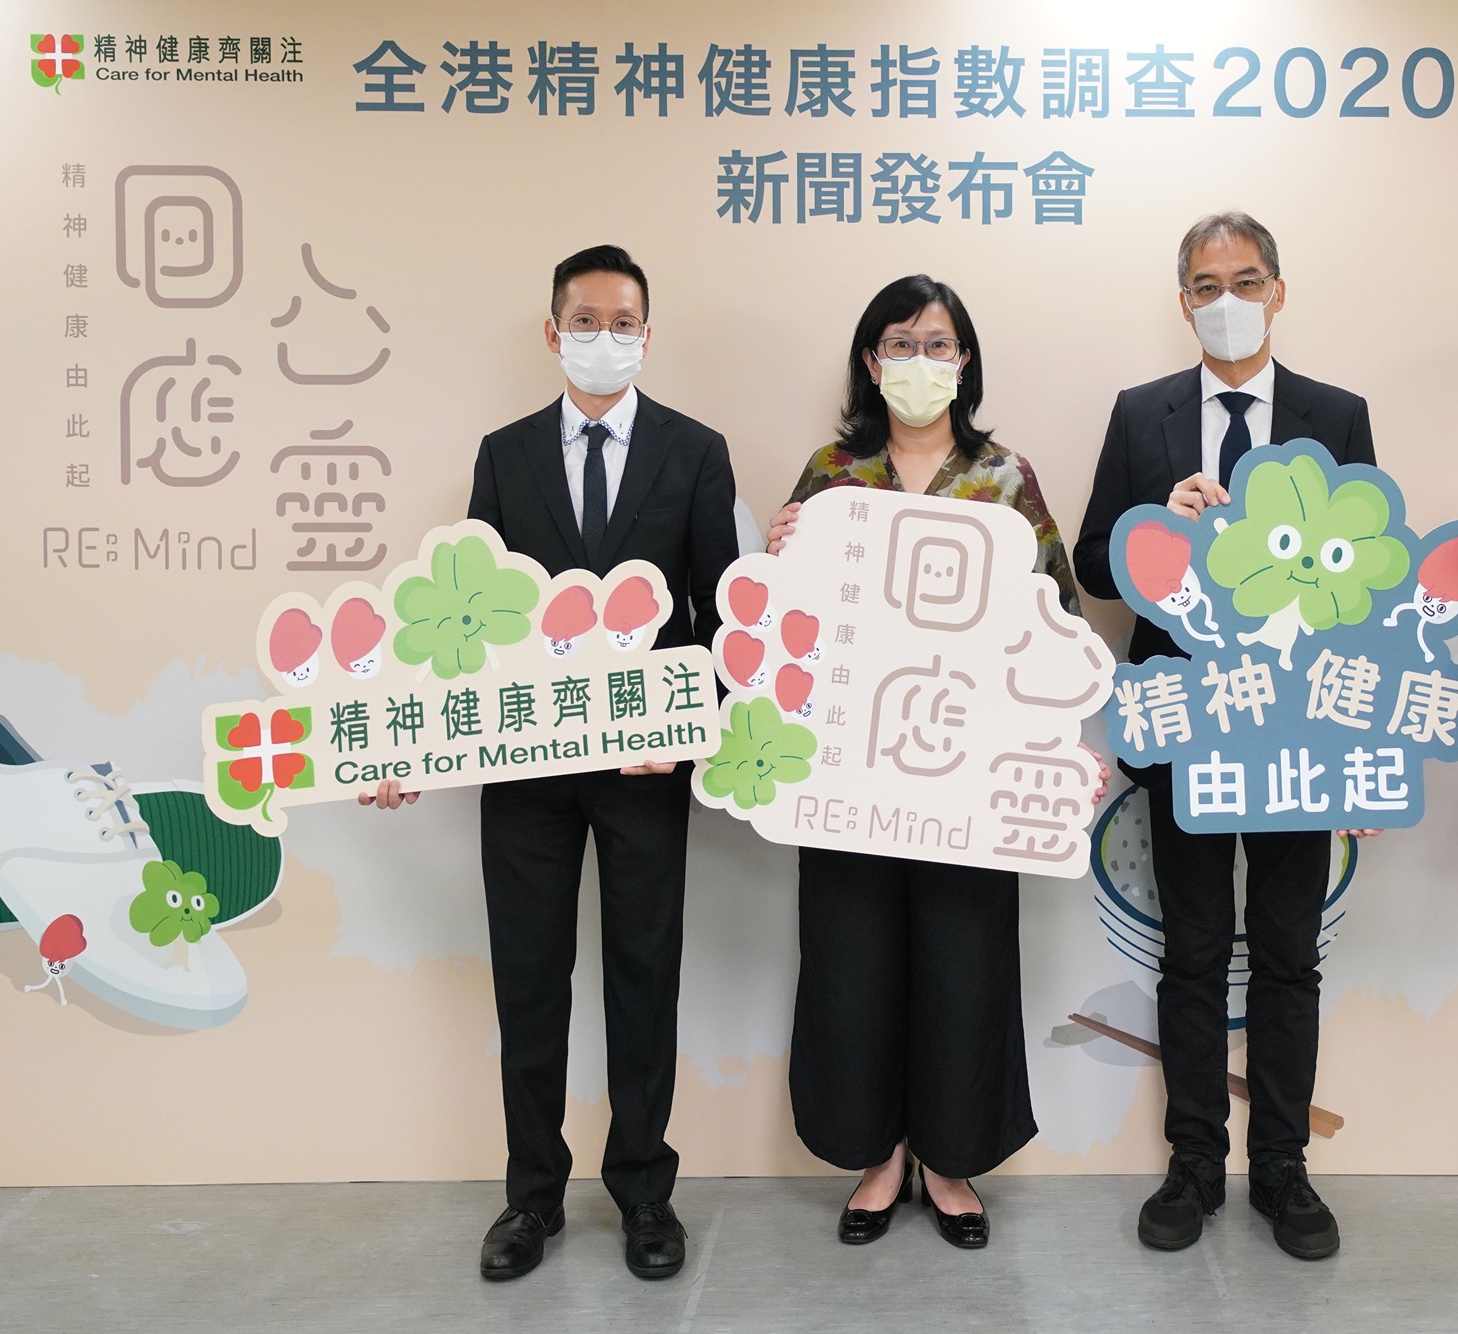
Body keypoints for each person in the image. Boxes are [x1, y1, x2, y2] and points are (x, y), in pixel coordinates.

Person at [361, 244, 738, 1282]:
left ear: (646, 335)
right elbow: (467, 620)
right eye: (586, 319)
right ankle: (531, 1197)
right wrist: (405, 740)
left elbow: (720, 616)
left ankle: (644, 1194)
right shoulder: (505, 452)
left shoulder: (695, 450)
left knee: (640, 982)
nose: (604, 337)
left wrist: (687, 724)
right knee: (530, 984)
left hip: (644, 775)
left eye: (623, 321)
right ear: (552, 330)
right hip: (524, 771)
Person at [763, 274, 1105, 1250]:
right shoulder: (831, 473)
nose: (921, 361)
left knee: (962, 963)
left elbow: (1062, 622)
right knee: (852, 960)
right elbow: (772, 630)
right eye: (900, 344)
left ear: (965, 362)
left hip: (968, 776)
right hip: (844, 775)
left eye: (940, 343)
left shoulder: (1003, 478)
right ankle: (877, 1152)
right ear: (870, 363)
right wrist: (781, 551)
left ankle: (947, 1155)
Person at [1071, 212, 1376, 1261]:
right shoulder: (1140, 413)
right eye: (1205, 284)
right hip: (1186, 720)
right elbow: (1091, 563)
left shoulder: (1337, 414)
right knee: (1193, 951)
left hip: (1297, 728)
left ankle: (1281, 1166)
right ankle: (1194, 1161)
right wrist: (1159, 519)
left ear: (1278, 290)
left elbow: (1368, 583)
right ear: (1184, 299)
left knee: (1289, 954)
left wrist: (1358, 754)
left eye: (1244, 279)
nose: (1227, 298)